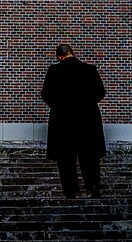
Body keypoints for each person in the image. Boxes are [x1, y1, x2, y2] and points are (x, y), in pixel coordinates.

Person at [41, 44, 106, 198]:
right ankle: (93, 188)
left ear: (59, 56)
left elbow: (45, 94)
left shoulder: (54, 71)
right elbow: (101, 92)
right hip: (88, 120)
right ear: (72, 53)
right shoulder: (90, 69)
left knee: (65, 158)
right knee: (90, 157)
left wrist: (59, 106)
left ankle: (70, 192)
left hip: (62, 121)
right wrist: (87, 104)